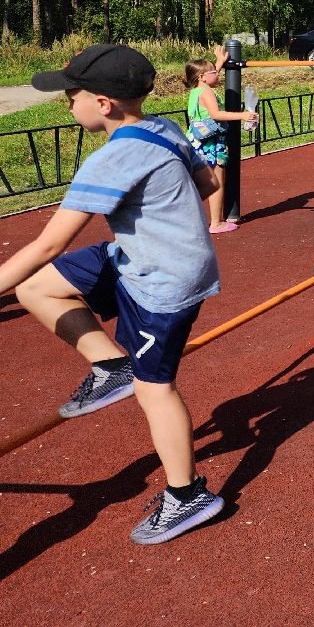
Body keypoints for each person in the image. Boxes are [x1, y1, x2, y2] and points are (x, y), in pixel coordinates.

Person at [0, 45, 224, 544]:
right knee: (37, 287)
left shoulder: (110, 161)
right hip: (140, 257)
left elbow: (49, 244)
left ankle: (187, 496)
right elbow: (209, 183)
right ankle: (109, 364)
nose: (67, 105)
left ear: (102, 104)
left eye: (71, 96)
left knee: (155, 389)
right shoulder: (163, 127)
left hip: (164, 282)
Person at [182, 45, 257, 235]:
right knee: (216, 180)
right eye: (214, 72)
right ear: (202, 77)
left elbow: (208, 77)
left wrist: (220, 62)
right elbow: (215, 114)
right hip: (212, 142)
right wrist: (242, 116)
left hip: (198, 140)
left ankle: (184, 218)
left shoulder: (196, 91)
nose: (218, 74)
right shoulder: (207, 92)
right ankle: (216, 222)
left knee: (201, 180)